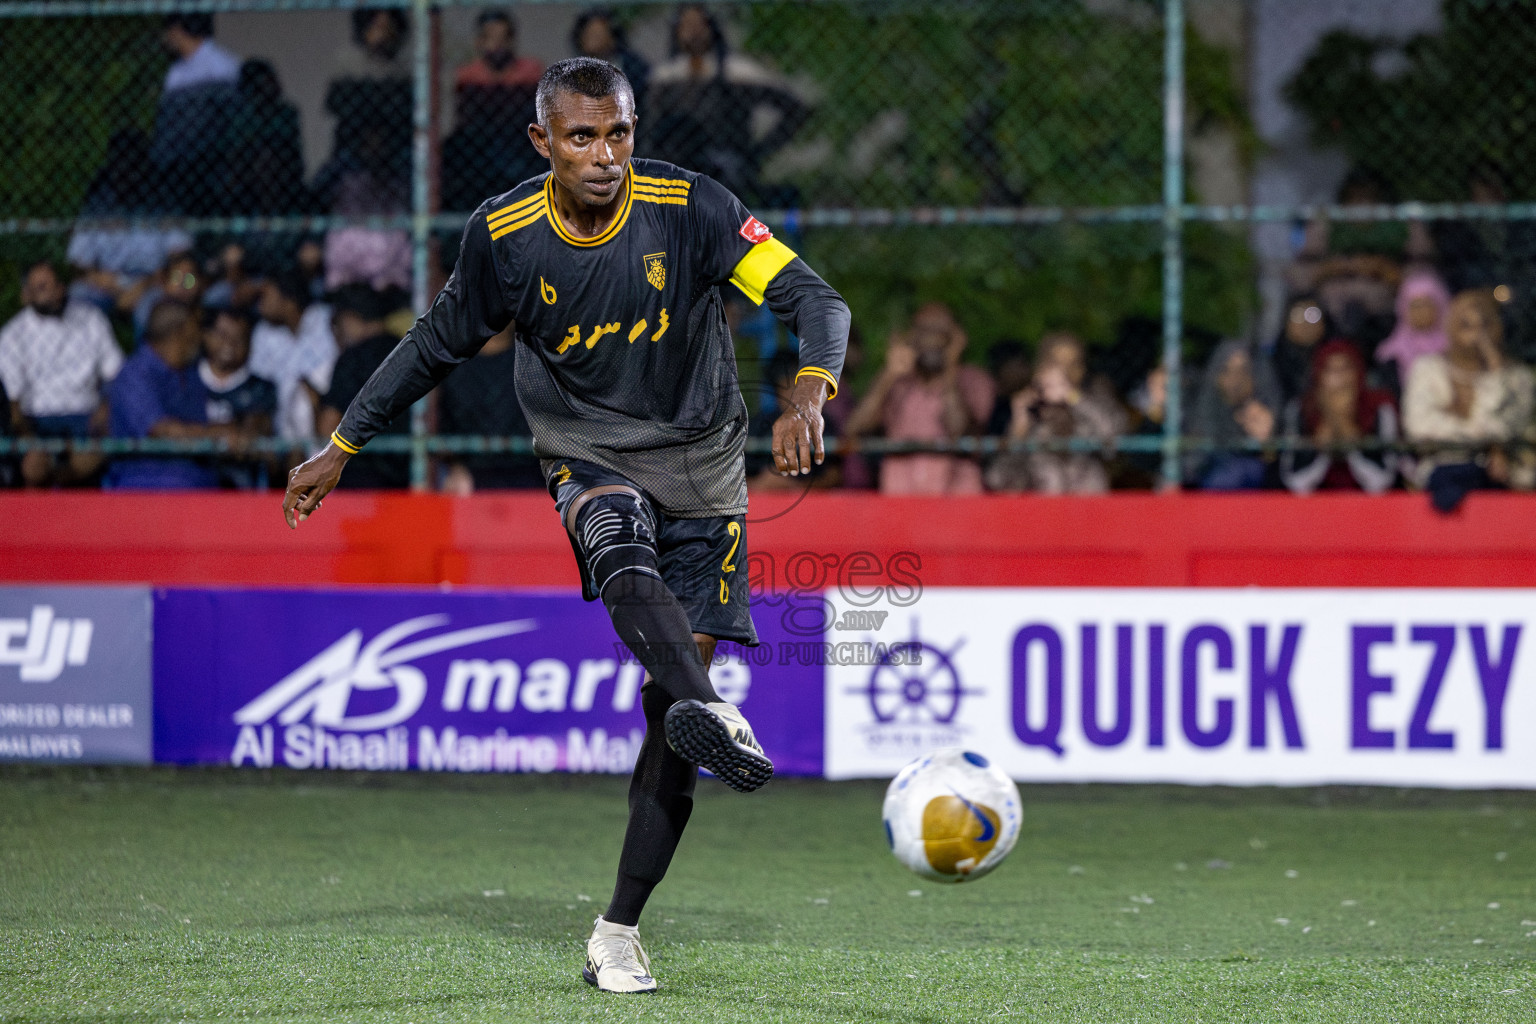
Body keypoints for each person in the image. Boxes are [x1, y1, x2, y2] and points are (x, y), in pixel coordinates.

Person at [281, 58, 848, 993]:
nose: (605, 155)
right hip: (587, 450)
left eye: (618, 133)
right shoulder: (505, 235)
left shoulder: (692, 207)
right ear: (542, 141)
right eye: (583, 137)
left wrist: (811, 389)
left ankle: (617, 929)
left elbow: (814, 299)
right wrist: (343, 444)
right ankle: (711, 705)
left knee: (669, 717)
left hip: (704, 463)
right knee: (619, 548)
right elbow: (434, 344)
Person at [648, 3, 810, 205]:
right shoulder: (665, 78)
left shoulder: (737, 72)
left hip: (726, 163)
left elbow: (795, 109)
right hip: (675, 166)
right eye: (686, 25)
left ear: (711, 29)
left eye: (699, 25)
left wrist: (758, 153)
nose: (693, 32)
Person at [1403, 289, 1535, 512]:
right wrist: (1487, 442)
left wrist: (1495, 373)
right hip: (1443, 474)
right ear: (1449, 325)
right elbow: (1419, 427)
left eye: (1484, 325)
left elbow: (1508, 428)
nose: (1476, 335)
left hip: (1503, 480)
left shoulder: (1518, 378)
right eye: (1465, 324)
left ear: (1498, 327)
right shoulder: (1426, 369)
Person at [845, 303, 994, 495]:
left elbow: (960, 431)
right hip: (900, 498)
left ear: (958, 338)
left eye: (941, 331)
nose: (932, 339)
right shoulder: (896, 383)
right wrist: (888, 374)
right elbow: (854, 429)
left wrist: (950, 367)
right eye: (924, 330)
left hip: (957, 499)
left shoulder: (975, 381)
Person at [0, 261, 122, 487]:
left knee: (92, 455)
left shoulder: (91, 319)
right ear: (26, 295)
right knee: (34, 467)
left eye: (56, 285)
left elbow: (116, 375)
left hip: (85, 415)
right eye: (42, 288)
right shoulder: (12, 336)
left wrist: (105, 410)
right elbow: (14, 406)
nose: (54, 293)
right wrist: (29, 441)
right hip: (37, 419)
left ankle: (62, 482)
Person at [106, 301, 249, 489]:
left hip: (201, 481)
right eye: (196, 327)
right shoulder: (135, 374)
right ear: (182, 331)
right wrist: (218, 433)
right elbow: (161, 431)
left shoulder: (190, 373)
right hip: (146, 484)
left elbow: (199, 425)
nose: (200, 335)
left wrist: (232, 431)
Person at [986, 334, 1122, 495]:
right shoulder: (1025, 406)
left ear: (1083, 370)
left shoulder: (1094, 402)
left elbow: (1115, 443)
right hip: (1042, 504)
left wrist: (1073, 397)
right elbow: (998, 479)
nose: (1064, 372)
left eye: (1074, 365)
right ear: (1039, 369)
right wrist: (1018, 429)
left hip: (1089, 501)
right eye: (1057, 363)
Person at [315, 285, 410, 489]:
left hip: (360, 481)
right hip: (409, 479)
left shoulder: (352, 359)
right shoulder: (411, 353)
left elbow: (327, 427)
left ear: (351, 318)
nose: (336, 332)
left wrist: (313, 400)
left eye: (337, 323)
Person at [1279, 340, 1399, 495]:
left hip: (1368, 505)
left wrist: (1349, 433)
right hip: (1315, 504)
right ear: (1319, 375)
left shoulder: (1380, 408)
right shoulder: (1300, 410)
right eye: (1330, 370)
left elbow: (1380, 483)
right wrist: (1324, 440)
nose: (1339, 380)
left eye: (1345, 369)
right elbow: (1297, 484)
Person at [152, 13, 240, 214]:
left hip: (215, 165)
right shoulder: (176, 72)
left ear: (178, 30)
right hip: (181, 169)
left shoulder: (221, 65)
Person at [437, 326, 544, 492]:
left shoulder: (537, 361)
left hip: (532, 476)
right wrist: (456, 467)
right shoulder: (452, 366)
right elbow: (441, 433)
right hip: (471, 477)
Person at [249, 269, 337, 443]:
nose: (259, 304)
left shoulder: (327, 320)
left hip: (328, 424)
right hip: (282, 435)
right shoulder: (263, 332)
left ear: (288, 300)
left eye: (265, 296)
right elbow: (258, 385)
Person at [1190, 339, 1282, 490]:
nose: (1235, 380)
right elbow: (1187, 470)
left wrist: (1268, 442)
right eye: (1227, 370)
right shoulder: (1199, 412)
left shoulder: (1272, 413)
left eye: (1243, 370)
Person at [201, 307, 277, 489]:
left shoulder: (261, 388)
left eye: (239, 338)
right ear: (206, 336)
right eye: (223, 335)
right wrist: (221, 432)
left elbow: (258, 426)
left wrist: (249, 431)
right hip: (190, 485)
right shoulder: (185, 379)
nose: (230, 344)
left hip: (242, 488)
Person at [1375, 270, 1451, 395]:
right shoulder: (1391, 354)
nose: (1420, 311)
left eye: (1426, 304)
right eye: (1415, 305)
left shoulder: (1454, 347)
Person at [572, 7, 650, 120]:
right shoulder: (573, 71)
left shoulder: (632, 66)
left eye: (598, 34)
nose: (593, 40)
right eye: (589, 34)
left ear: (612, 37)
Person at [1268, 294, 1334, 407]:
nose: (1305, 323)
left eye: (1313, 315)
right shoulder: (1270, 363)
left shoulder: (1335, 359)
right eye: (1297, 316)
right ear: (1286, 322)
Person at [455, 9, 543, 89]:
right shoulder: (469, 74)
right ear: (479, 41)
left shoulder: (529, 71)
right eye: (491, 38)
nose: (498, 44)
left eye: (504, 37)